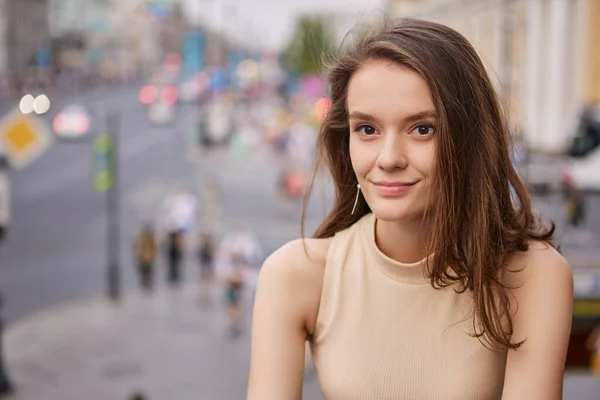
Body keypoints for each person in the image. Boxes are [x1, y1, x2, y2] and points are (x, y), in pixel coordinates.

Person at [248, 18, 573, 399]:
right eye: (367, 129)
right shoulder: (294, 275)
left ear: (468, 139)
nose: (388, 159)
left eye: (422, 129)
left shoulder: (532, 275)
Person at [134, 223, 157, 291]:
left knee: (148, 272)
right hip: (145, 258)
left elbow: (154, 247)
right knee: (145, 272)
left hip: (148, 258)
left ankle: (147, 284)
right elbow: (139, 248)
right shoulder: (144, 239)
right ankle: (145, 284)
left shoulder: (149, 238)